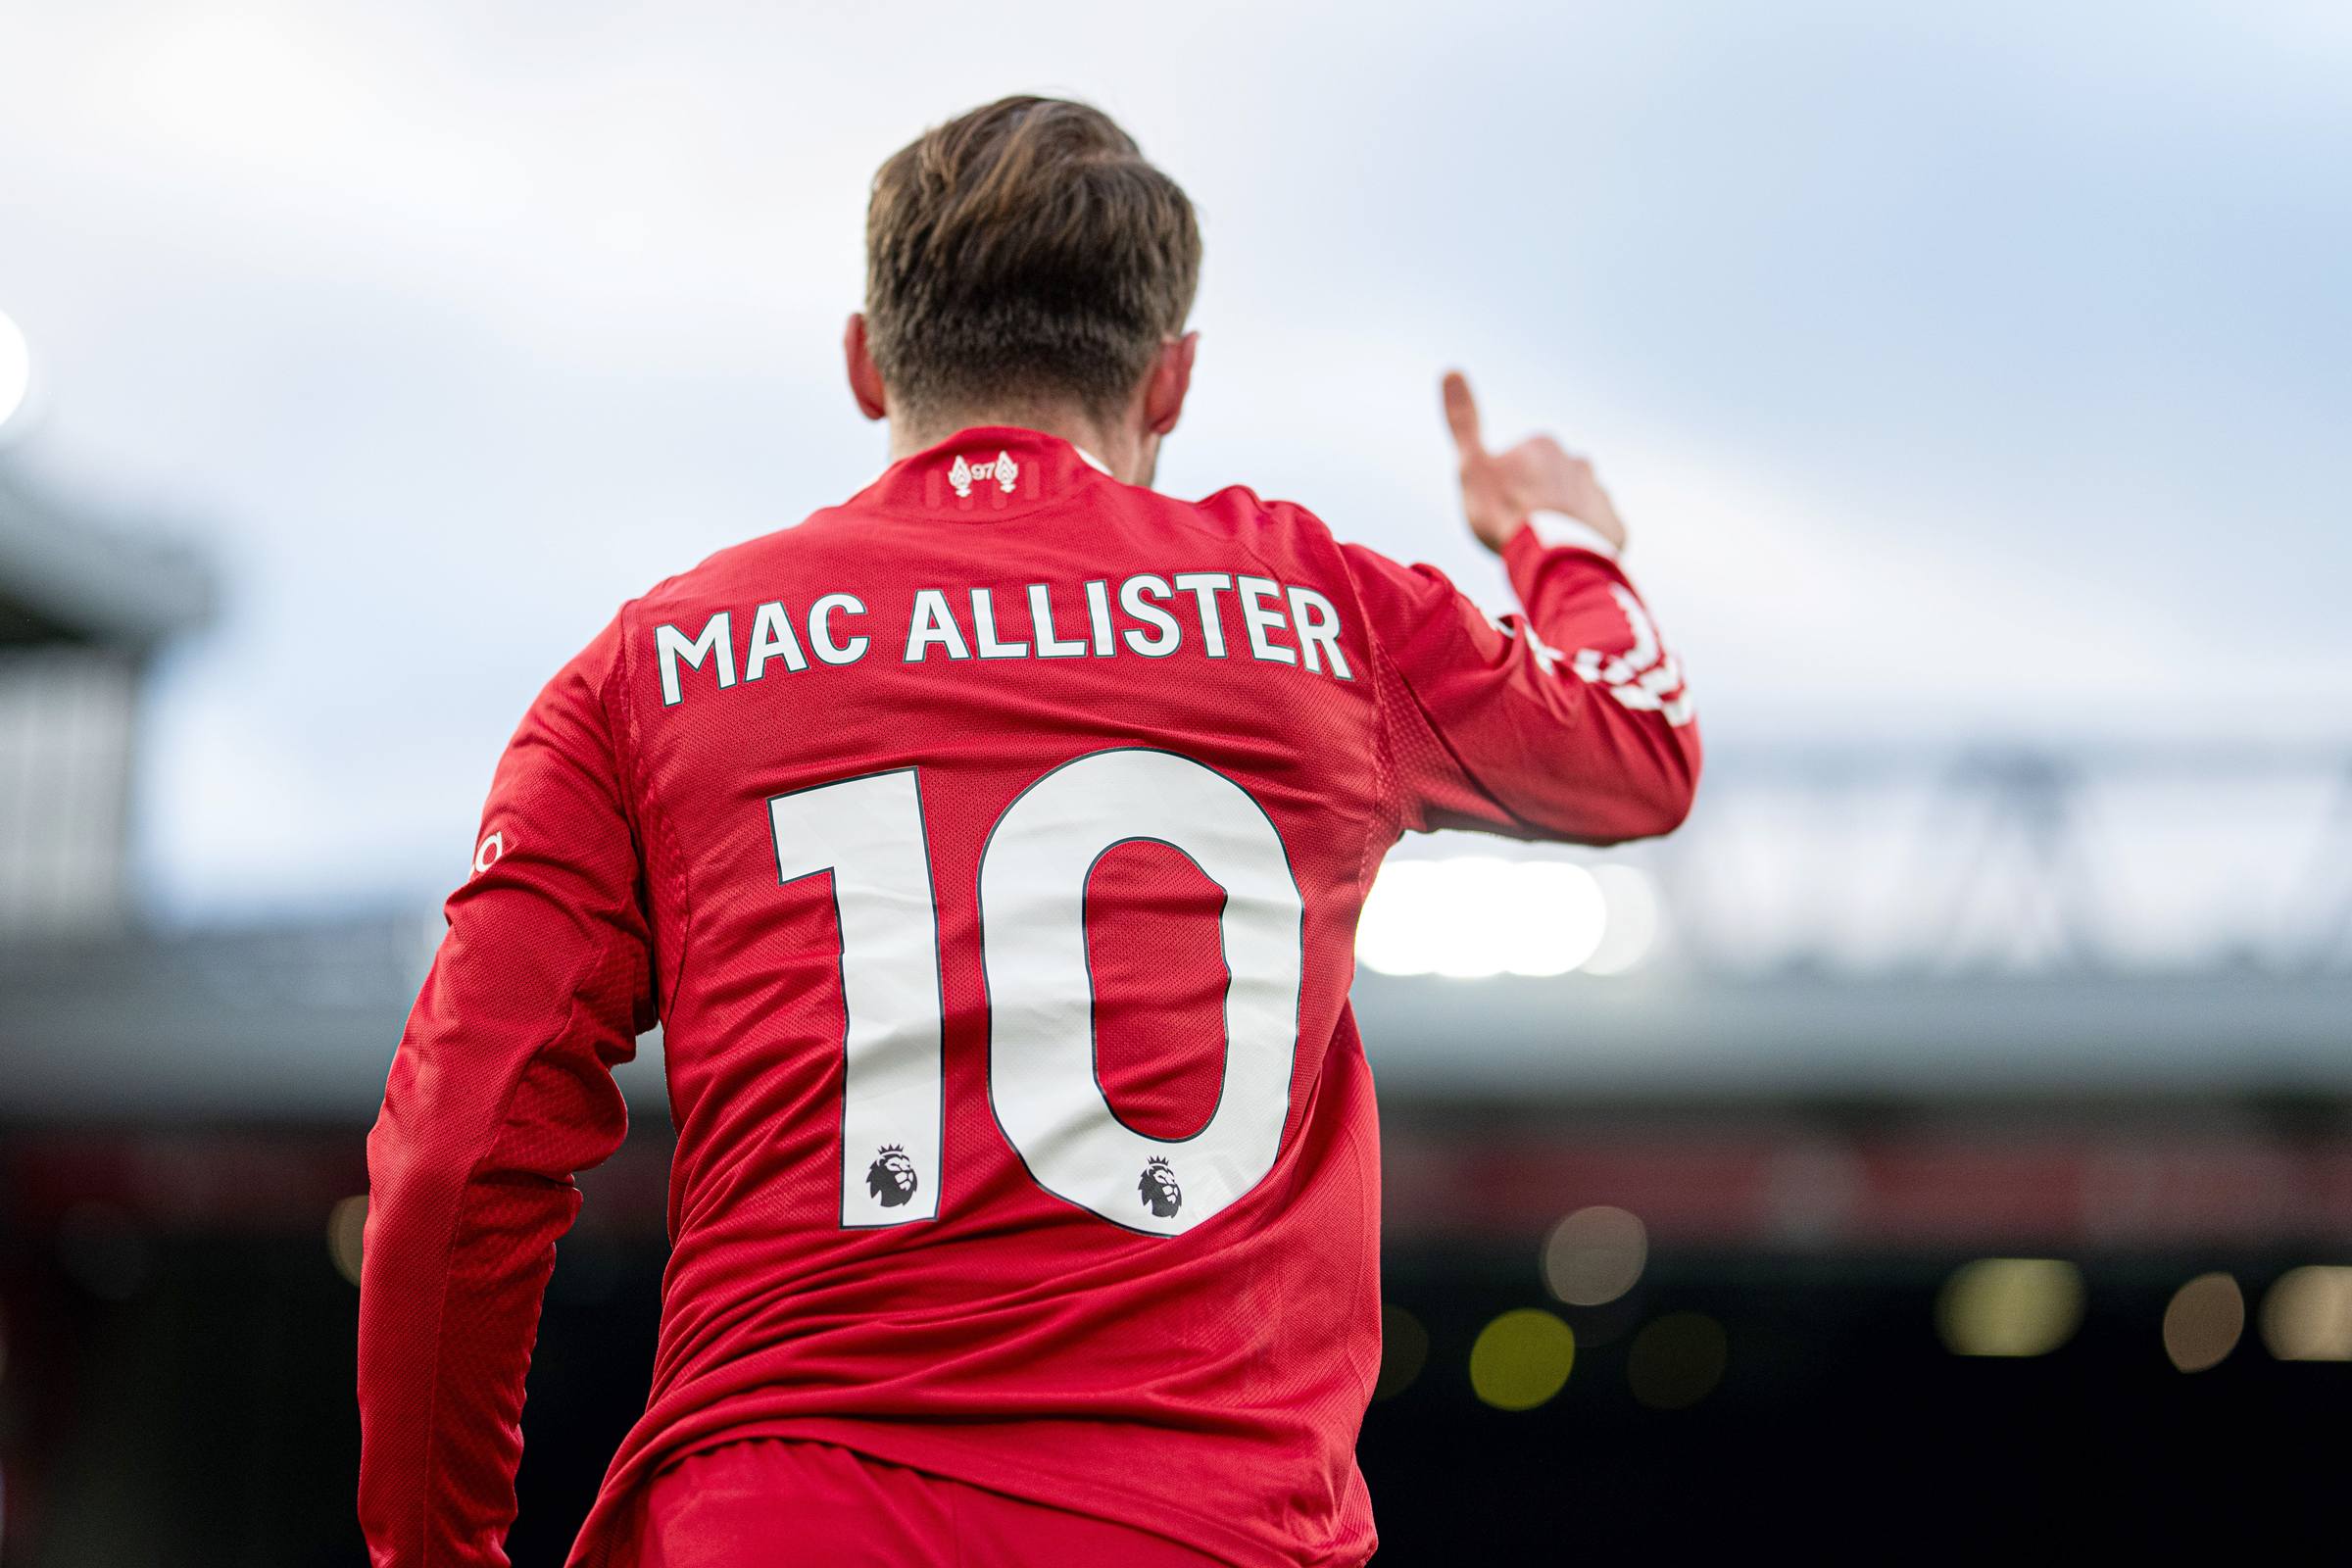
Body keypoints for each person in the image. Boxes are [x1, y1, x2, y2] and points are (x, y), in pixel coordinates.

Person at [357, 94, 1699, 1568]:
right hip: (1204, 1533)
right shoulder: (1324, 616)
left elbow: (456, 1153)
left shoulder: (650, 670)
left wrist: (439, 1552)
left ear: (866, 361)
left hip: (781, 1522)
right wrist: (1560, 540)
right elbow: (1639, 747)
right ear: (1171, 380)